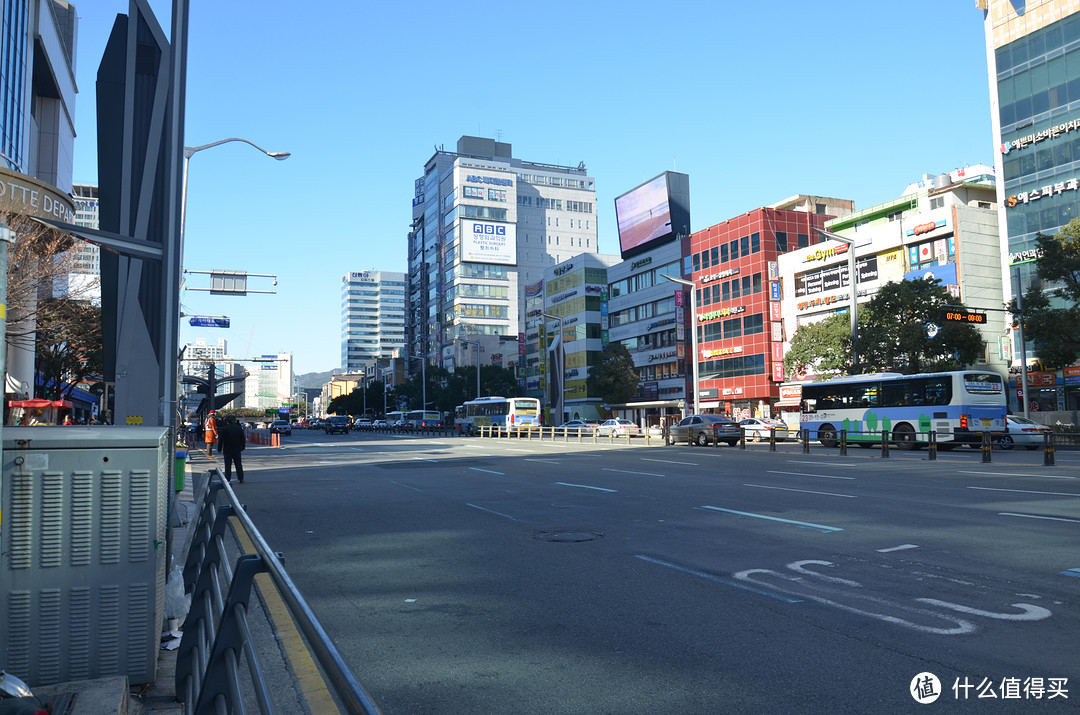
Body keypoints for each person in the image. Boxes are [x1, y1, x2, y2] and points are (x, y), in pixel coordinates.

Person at [218, 416, 246, 483]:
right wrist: (243, 446)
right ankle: (240, 478)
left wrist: (219, 448)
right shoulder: (238, 428)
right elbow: (242, 438)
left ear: (227, 422)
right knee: (238, 464)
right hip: (237, 448)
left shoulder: (225, 429)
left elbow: (221, 440)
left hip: (227, 448)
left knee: (228, 464)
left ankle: (228, 478)